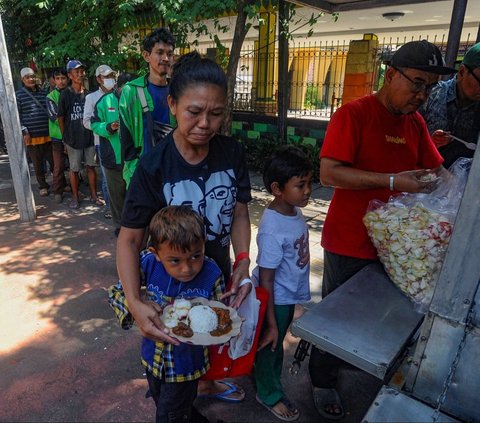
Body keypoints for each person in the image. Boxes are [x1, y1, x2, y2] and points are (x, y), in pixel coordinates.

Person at [309, 40, 454, 420]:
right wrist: (392, 181)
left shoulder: (414, 123)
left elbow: (438, 173)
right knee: (337, 318)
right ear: (391, 75)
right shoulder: (353, 114)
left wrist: (463, 201)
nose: (422, 95)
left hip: (401, 249)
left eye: (429, 88)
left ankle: (367, 372)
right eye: (417, 84)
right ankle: (322, 379)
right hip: (350, 241)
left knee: (386, 318)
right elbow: (329, 173)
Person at [117, 51, 252, 403]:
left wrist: (242, 261)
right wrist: (134, 299)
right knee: (179, 352)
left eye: (216, 113)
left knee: (214, 338)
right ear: (173, 104)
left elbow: (239, 213)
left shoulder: (232, 152)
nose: (206, 123)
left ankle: (205, 384)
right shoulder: (153, 165)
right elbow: (130, 240)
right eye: (194, 112)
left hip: (217, 274)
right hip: (175, 283)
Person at [110, 205, 224, 422]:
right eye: (175, 260)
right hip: (152, 359)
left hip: (187, 367)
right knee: (165, 401)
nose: (187, 268)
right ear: (157, 254)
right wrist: (135, 308)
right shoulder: (148, 263)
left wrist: (220, 325)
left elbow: (219, 315)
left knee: (167, 415)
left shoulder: (212, 273)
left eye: (195, 256)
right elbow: (116, 292)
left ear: (203, 245)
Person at [253, 146, 313, 422]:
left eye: (309, 183)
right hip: (275, 299)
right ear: (278, 188)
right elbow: (266, 277)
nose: (308, 190)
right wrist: (273, 322)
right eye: (300, 185)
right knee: (272, 344)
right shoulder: (272, 227)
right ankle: (268, 393)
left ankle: (267, 379)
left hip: (287, 296)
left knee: (272, 346)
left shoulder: (292, 210)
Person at [119, 27, 175, 185]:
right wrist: (134, 171)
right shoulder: (131, 92)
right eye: (160, 52)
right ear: (146, 56)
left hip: (173, 172)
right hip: (142, 173)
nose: (165, 58)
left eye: (169, 54)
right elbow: (126, 139)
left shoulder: (178, 90)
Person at [420, 42, 480, 169]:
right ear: (462, 72)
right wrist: (430, 143)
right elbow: (407, 140)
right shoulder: (431, 95)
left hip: (466, 184)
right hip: (422, 179)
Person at [91, 73, 134, 236]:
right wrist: (109, 127)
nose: (128, 92)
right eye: (125, 89)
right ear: (117, 87)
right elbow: (94, 124)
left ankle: (133, 226)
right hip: (112, 157)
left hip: (132, 158)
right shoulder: (105, 101)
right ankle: (119, 226)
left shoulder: (136, 100)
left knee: (133, 194)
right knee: (116, 196)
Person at [58, 60, 102, 209]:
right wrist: (65, 139)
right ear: (70, 75)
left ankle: (94, 195)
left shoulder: (89, 94)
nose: (80, 74)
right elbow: (60, 118)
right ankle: (75, 197)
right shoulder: (65, 95)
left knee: (91, 166)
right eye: (76, 72)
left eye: (81, 71)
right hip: (72, 139)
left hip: (89, 138)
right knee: (74, 169)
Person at [83, 64, 117, 216]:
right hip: (102, 142)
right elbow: (86, 121)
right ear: (98, 79)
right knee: (107, 177)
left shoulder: (120, 94)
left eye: (111, 76)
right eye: (106, 77)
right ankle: (110, 208)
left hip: (121, 143)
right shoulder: (92, 98)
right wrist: (105, 128)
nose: (110, 79)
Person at [16, 67, 54, 197]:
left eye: (32, 76)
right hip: (32, 137)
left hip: (49, 135)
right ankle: (43, 186)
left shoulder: (44, 93)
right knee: (38, 164)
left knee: (55, 162)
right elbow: (18, 116)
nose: (31, 79)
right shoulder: (19, 95)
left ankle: (59, 184)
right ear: (23, 79)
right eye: (27, 77)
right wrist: (24, 131)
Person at [46, 68, 70, 203]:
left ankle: (74, 189)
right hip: (58, 137)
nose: (61, 81)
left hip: (72, 137)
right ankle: (57, 191)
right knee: (58, 165)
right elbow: (54, 117)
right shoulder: (50, 97)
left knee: (74, 165)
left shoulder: (72, 93)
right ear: (54, 80)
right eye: (58, 78)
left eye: (63, 78)